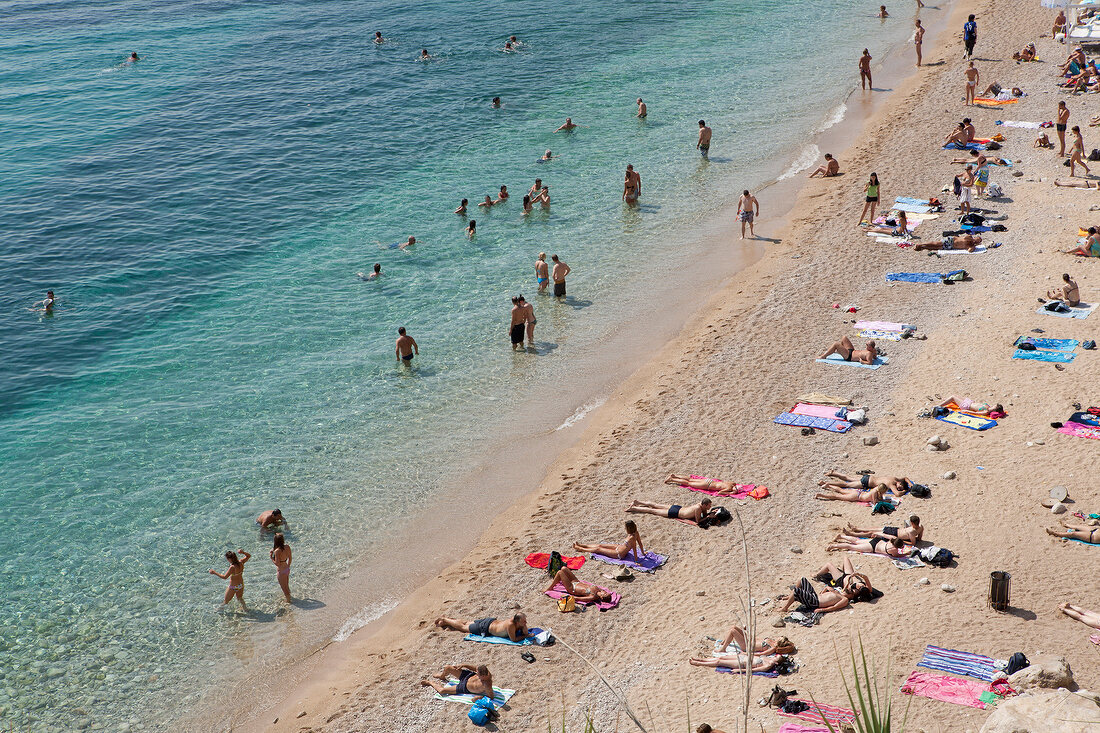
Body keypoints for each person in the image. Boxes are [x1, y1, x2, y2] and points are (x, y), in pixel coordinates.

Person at [778, 576, 859, 614]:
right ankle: (790, 596)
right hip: (815, 596)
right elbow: (827, 587)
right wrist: (827, 590)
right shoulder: (838, 592)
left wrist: (822, 610)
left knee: (796, 591)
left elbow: (834, 607)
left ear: (852, 596)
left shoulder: (844, 600)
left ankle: (785, 608)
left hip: (815, 602)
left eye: (851, 591)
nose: (849, 589)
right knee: (802, 580)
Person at [573, 520, 644, 560]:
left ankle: (580, 548)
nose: (625, 529)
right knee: (600, 545)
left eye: (626, 528)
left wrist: (636, 560)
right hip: (620, 547)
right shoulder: (636, 532)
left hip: (619, 554)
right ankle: (582, 545)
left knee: (598, 549)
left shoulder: (632, 538)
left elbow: (634, 549)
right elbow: (640, 544)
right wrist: (643, 553)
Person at [434, 614, 530, 641]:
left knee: (467, 622)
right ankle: (445, 620)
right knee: (464, 627)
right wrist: (526, 636)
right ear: (517, 621)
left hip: (490, 621)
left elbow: (525, 631)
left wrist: (524, 626)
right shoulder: (510, 625)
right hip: (485, 627)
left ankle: (447, 621)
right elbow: (513, 639)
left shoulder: (517, 621)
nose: (526, 622)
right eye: (524, 621)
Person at [545, 566, 613, 603]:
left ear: (601, 597)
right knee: (564, 568)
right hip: (576, 582)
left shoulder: (592, 596)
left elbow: (579, 598)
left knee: (560, 572)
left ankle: (550, 588)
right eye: (606, 592)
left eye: (605, 593)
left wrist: (566, 596)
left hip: (572, 588)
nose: (605, 591)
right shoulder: (599, 590)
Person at [420, 664, 494, 698]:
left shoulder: (487, 684)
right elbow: (475, 668)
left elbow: (491, 697)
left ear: (483, 676)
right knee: (447, 667)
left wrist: (478, 697)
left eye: (478, 674)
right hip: (468, 676)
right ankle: (441, 676)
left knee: (442, 691)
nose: (477, 674)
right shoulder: (484, 671)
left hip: (465, 687)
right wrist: (464, 665)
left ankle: (430, 683)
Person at [625, 498, 715, 525]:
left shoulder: (701, 504)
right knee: (652, 511)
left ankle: (638, 501)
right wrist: (707, 517)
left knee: (656, 505)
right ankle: (634, 508)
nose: (710, 507)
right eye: (709, 506)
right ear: (704, 505)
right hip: (676, 513)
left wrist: (710, 513)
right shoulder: (698, 509)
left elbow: (705, 513)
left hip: (677, 508)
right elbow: (698, 521)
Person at [715, 625, 795, 655]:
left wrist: (746, 654)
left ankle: (723, 649)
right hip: (750, 639)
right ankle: (723, 642)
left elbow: (762, 654)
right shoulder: (772, 641)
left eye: (779, 638)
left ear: (779, 642)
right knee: (734, 627)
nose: (778, 637)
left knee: (733, 631)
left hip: (746, 646)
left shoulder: (773, 648)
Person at [820, 470, 912, 495]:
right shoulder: (892, 484)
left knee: (849, 478)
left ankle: (834, 473)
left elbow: (905, 477)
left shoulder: (895, 478)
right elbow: (897, 494)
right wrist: (905, 491)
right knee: (846, 485)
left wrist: (910, 484)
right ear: (900, 483)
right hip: (866, 483)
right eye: (900, 487)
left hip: (868, 477)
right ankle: (827, 484)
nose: (899, 488)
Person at [845, 516, 924, 544]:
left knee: (871, 533)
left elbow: (913, 543)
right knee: (875, 528)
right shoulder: (921, 527)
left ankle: (852, 534)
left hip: (894, 535)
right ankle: (856, 529)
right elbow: (919, 538)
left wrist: (902, 541)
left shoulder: (912, 532)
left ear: (912, 523)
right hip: (895, 530)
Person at [688, 652, 788, 673]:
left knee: (719, 661)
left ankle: (699, 663)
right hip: (743, 657)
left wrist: (740, 670)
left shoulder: (769, 664)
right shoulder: (768, 658)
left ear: (777, 663)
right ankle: (700, 659)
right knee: (722, 657)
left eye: (777, 657)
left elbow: (755, 669)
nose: (776, 656)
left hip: (742, 664)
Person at [827, 534, 910, 557]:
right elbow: (897, 555)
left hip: (877, 541)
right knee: (852, 547)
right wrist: (906, 553)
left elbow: (884, 535)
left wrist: (876, 534)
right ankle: (833, 546)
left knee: (857, 541)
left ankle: (841, 536)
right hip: (873, 547)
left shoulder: (892, 540)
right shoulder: (893, 549)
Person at [664, 473, 743, 496]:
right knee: (689, 483)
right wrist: (730, 493)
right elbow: (720, 493)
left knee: (690, 479)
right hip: (708, 486)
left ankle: (675, 475)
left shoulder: (732, 484)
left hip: (709, 481)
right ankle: (672, 479)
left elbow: (733, 483)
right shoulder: (729, 489)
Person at [271, 532, 292, 603]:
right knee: (287, 586)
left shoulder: (277, 551)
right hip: (286, 569)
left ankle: (289, 602)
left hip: (281, 571)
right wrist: (288, 566)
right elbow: (290, 558)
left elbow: (277, 564)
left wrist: (271, 557)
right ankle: (289, 597)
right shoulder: (287, 547)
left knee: (284, 589)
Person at [815, 484, 888, 504]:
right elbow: (875, 502)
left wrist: (883, 499)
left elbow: (879, 497)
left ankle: (828, 485)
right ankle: (820, 495)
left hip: (858, 492)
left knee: (841, 491)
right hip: (857, 496)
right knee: (838, 497)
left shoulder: (876, 489)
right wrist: (884, 502)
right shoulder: (875, 492)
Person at [913, 232, 982, 252]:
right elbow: (965, 238)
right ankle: (920, 244)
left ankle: (923, 247)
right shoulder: (969, 237)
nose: (976, 240)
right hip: (951, 240)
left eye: (978, 241)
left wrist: (973, 246)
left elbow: (969, 251)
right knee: (936, 243)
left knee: (936, 247)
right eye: (977, 238)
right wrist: (973, 240)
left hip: (951, 246)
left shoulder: (971, 246)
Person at [936, 396, 1003, 416]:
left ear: (995, 409)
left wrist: (966, 411)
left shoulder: (986, 411)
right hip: (970, 402)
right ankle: (945, 400)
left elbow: (975, 413)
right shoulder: (988, 406)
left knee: (953, 398)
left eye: (995, 406)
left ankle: (939, 405)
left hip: (967, 406)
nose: (994, 405)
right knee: (955, 396)